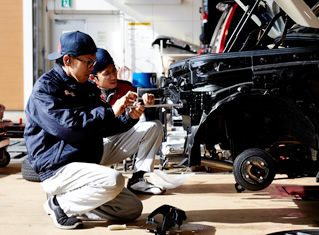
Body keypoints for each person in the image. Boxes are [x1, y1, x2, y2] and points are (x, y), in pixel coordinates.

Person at [24, 31, 147, 230]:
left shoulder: (88, 87)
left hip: (84, 163)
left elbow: (102, 127)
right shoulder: (45, 89)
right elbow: (68, 128)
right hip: (58, 168)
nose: (92, 68)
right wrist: (110, 113)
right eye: (88, 62)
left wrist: (128, 117)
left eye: (93, 62)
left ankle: (75, 203)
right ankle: (59, 205)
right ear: (68, 60)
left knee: (131, 208)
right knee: (114, 179)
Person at [89, 48, 164, 195]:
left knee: (154, 126)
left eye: (114, 70)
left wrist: (147, 104)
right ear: (93, 78)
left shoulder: (126, 88)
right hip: (92, 150)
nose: (113, 76)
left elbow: (145, 108)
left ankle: (138, 179)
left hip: (117, 143)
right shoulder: (86, 93)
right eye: (106, 73)